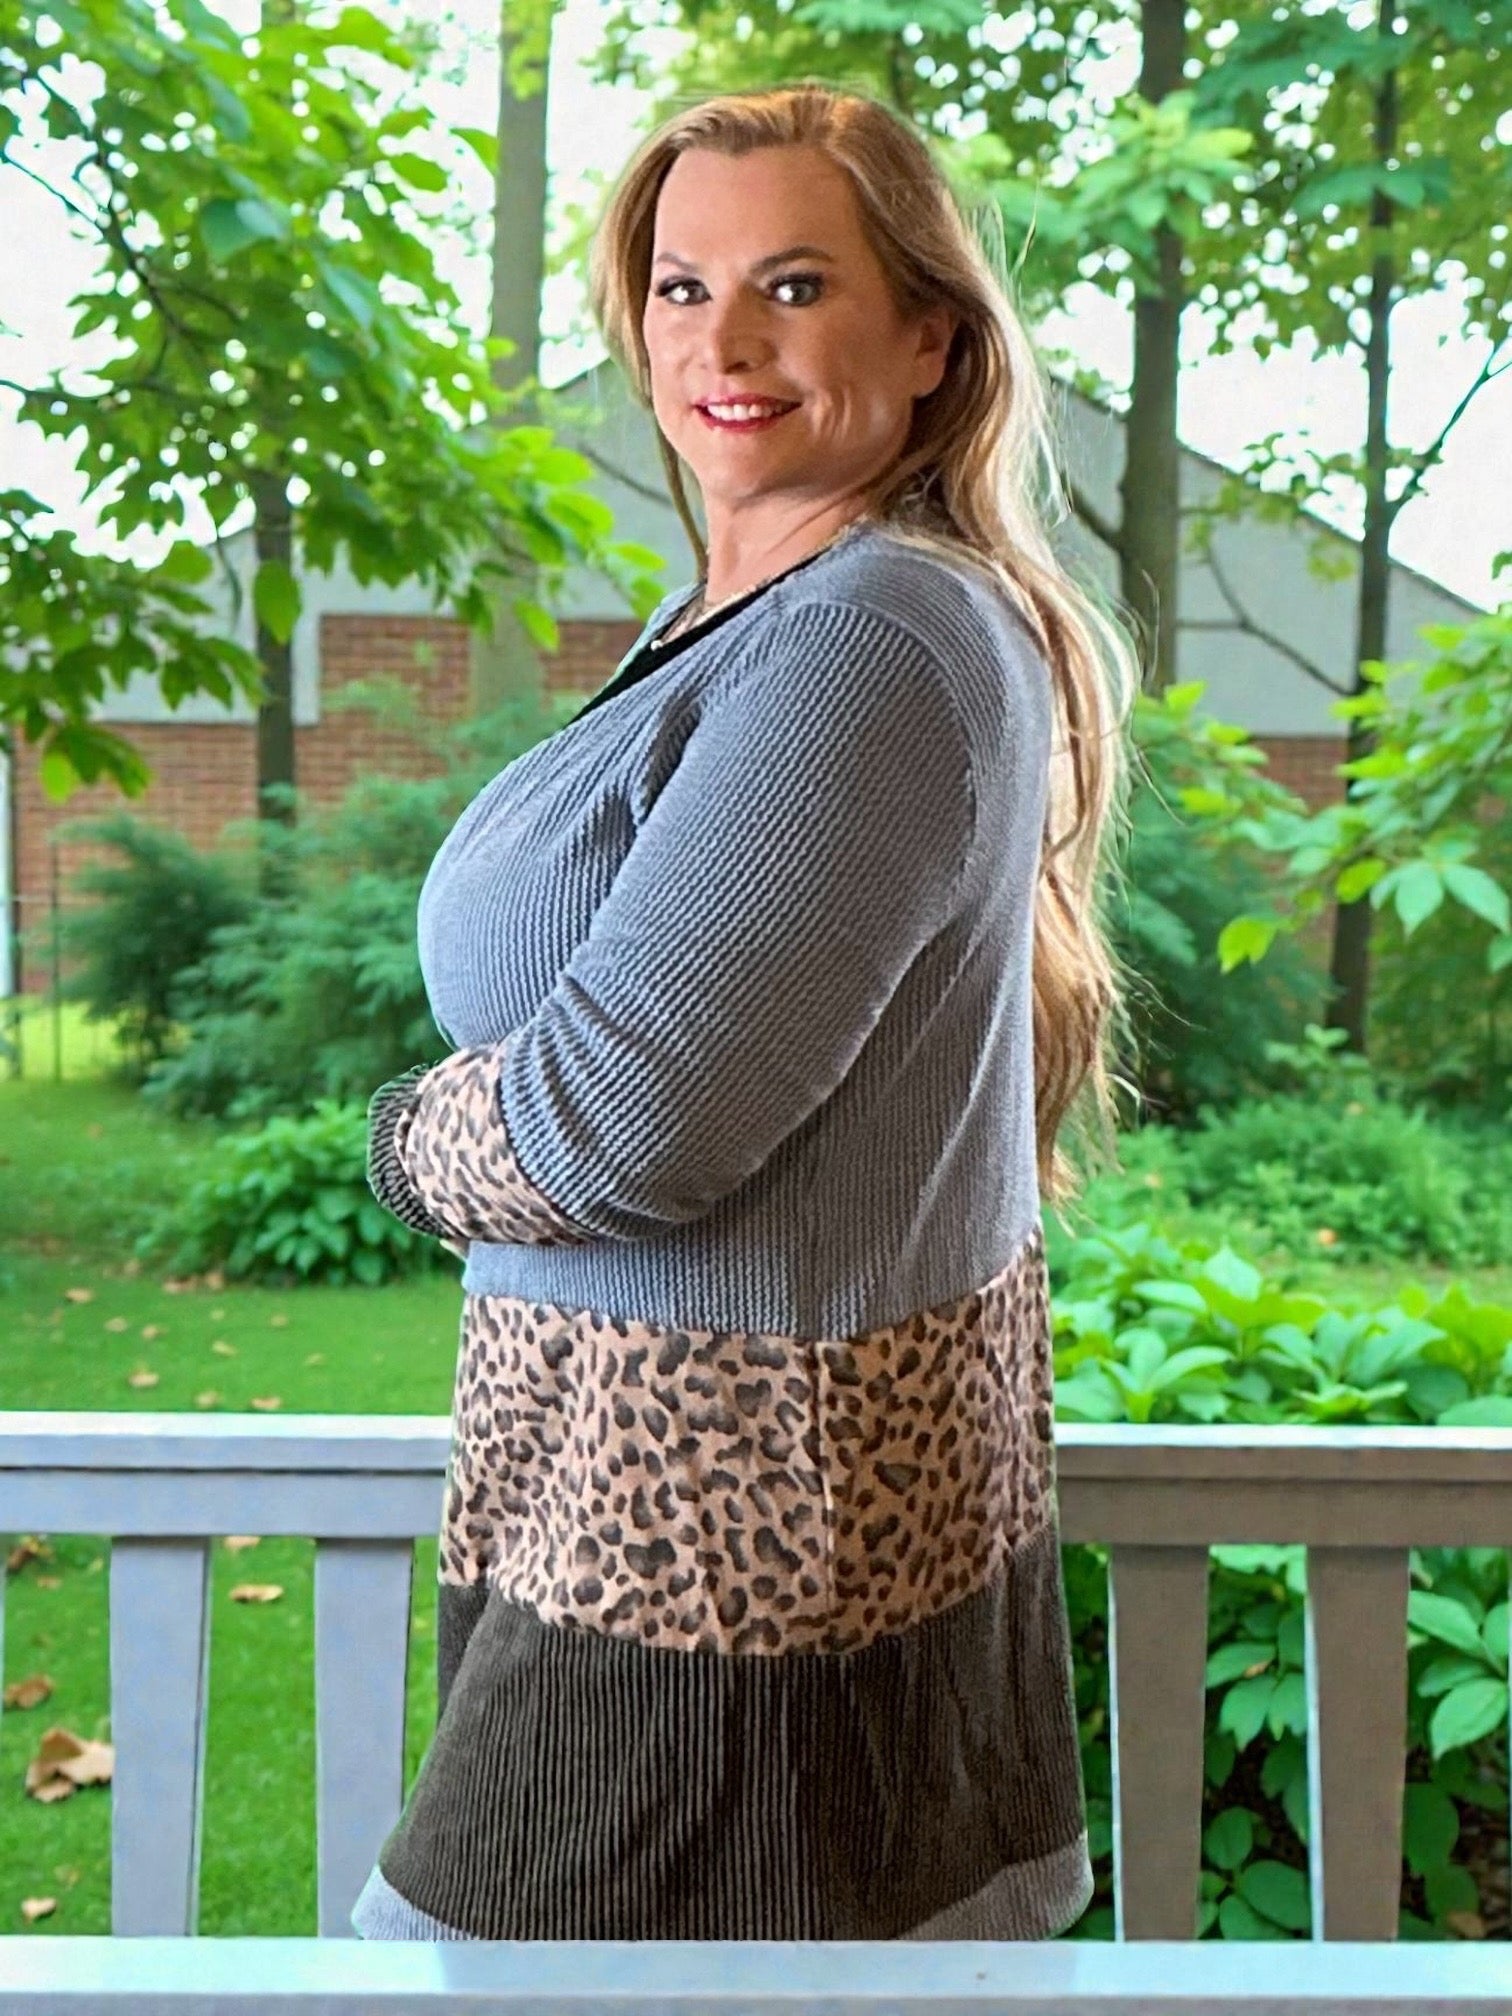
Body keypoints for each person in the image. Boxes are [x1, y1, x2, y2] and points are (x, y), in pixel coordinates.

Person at [351, 79, 1137, 1943]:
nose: (723, 339)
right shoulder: (756, 614)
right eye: (681, 287)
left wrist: (399, 1135)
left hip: (723, 1580)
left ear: (934, 337)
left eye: (795, 283)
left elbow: (625, 1120)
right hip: (629, 1527)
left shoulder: (876, 636)